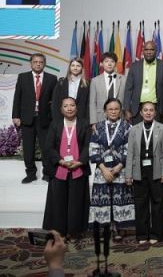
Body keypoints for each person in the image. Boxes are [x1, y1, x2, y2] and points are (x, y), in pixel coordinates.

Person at [42, 97, 90, 242]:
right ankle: (60, 232)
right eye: (66, 106)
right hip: (59, 168)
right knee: (58, 202)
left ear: (77, 107)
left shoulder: (84, 124)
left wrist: (80, 162)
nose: (69, 108)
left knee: (76, 202)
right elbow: (49, 147)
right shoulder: (55, 124)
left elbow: (88, 145)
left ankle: (74, 232)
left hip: (78, 168)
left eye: (72, 105)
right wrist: (61, 161)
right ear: (61, 109)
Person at [88, 98, 135, 241]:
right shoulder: (98, 127)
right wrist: (103, 169)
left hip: (120, 169)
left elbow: (130, 150)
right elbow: (93, 149)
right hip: (102, 170)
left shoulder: (128, 127)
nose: (113, 111)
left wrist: (118, 167)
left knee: (120, 199)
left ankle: (119, 228)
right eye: (110, 109)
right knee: (102, 199)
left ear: (120, 111)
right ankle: (103, 229)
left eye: (116, 109)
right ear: (105, 111)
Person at [124, 102, 163, 244]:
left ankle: (157, 234)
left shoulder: (162, 128)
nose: (148, 112)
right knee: (140, 204)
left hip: (157, 171)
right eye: (145, 110)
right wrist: (128, 174)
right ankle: (142, 234)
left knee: (158, 204)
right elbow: (130, 153)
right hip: (139, 170)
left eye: (151, 110)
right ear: (141, 113)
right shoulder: (134, 129)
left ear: (155, 113)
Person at [12, 53, 56, 183]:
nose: (38, 64)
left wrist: (54, 118)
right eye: (35, 62)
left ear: (44, 64)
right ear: (30, 63)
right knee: (28, 148)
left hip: (45, 119)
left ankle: (47, 173)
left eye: (41, 62)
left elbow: (54, 101)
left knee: (46, 147)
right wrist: (15, 115)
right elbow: (17, 97)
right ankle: (30, 174)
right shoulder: (23, 77)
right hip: (27, 118)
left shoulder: (52, 78)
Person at [123, 41, 163, 124]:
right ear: (143, 51)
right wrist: (126, 109)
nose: (149, 52)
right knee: (138, 132)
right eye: (146, 49)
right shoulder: (134, 66)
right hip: (137, 110)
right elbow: (128, 89)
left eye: (152, 49)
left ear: (156, 51)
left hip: (158, 110)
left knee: (156, 132)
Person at [89, 52, 126, 130]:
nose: (109, 64)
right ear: (102, 64)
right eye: (106, 61)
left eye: (112, 61)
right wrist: (93, 122)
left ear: (115, 63)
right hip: (100, 118)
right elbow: (92, 102)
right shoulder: (95, 81)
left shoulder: (123, 79)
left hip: (120, 117)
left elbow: (127, 99)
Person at [52, 58, 90, 123]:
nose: (75, 68)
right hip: (62, 118)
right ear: (69, 67)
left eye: (78, 66)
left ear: (82, 68)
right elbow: (55, 103)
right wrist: (57, 120)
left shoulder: (87, 84)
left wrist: (87, 121)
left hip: (81, 119)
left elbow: (88, 104)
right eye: (73, 65)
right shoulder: (61, 82)